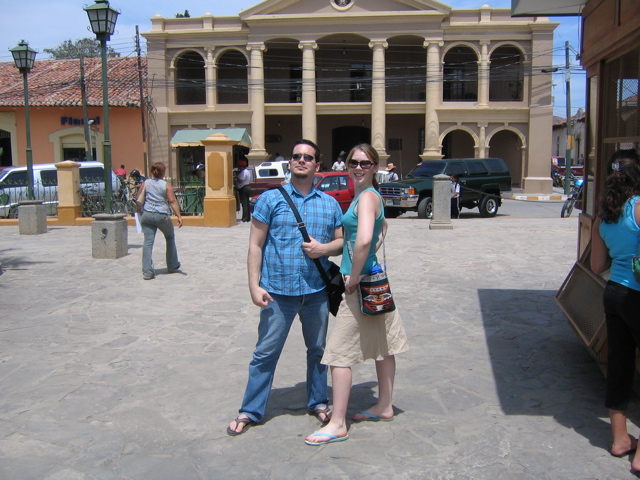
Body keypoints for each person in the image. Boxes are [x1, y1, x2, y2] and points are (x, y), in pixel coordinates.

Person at [227, 139, 344, 436]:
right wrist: (253, 286)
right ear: (290, 163)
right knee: (265, 353)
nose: (301, 160)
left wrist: (324, 248)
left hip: (316, 293)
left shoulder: (329, 204)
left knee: (317, 350)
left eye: (308, 157)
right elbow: (255, 244)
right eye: (296, 156)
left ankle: (318, 400)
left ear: (317, 165)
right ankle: (250, 409)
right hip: (277, 293)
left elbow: (342, 242)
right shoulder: (270, 199)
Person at [305, 143, 409, 446]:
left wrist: (354, 275)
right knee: (383, 346)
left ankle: (337, 423)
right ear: (347, 165)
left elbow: (364, 239)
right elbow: (381, 230)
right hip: (377, 282)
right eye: (354, 162)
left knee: (337, 355)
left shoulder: (365, 197)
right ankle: (385, 405)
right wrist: (361, 259)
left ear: (375, 166)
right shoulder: (373, 197)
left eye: (365, 163)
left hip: (361, 285)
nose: (359, 167)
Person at [590, 149, 640, 469]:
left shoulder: (603, 216)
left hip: (614, 293)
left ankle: (620, 439)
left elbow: (597, 265)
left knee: (620, 365)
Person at [136, 162, 183, 280]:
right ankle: (172, 264)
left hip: (147, 214)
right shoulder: (166, 185)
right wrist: (179, 216)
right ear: (163, 172)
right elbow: (172, 201)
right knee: (170, 237)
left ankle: (147, 271)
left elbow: (138, 198)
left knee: (148, 242)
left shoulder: (145, 183)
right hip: (161, 214)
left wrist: (139, 210)